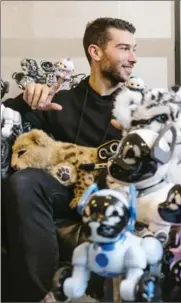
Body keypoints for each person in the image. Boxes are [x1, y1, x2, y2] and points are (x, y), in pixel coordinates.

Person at [1, 17, 137, 302]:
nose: (133, 58)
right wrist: (27, 100)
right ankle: (35, 295)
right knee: (23, 182)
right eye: (124, 48)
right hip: (64, 191)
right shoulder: (59, 100)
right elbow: (6, 120)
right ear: (95, 52)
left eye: (133, 49)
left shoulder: (138, 105)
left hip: (114, 193)